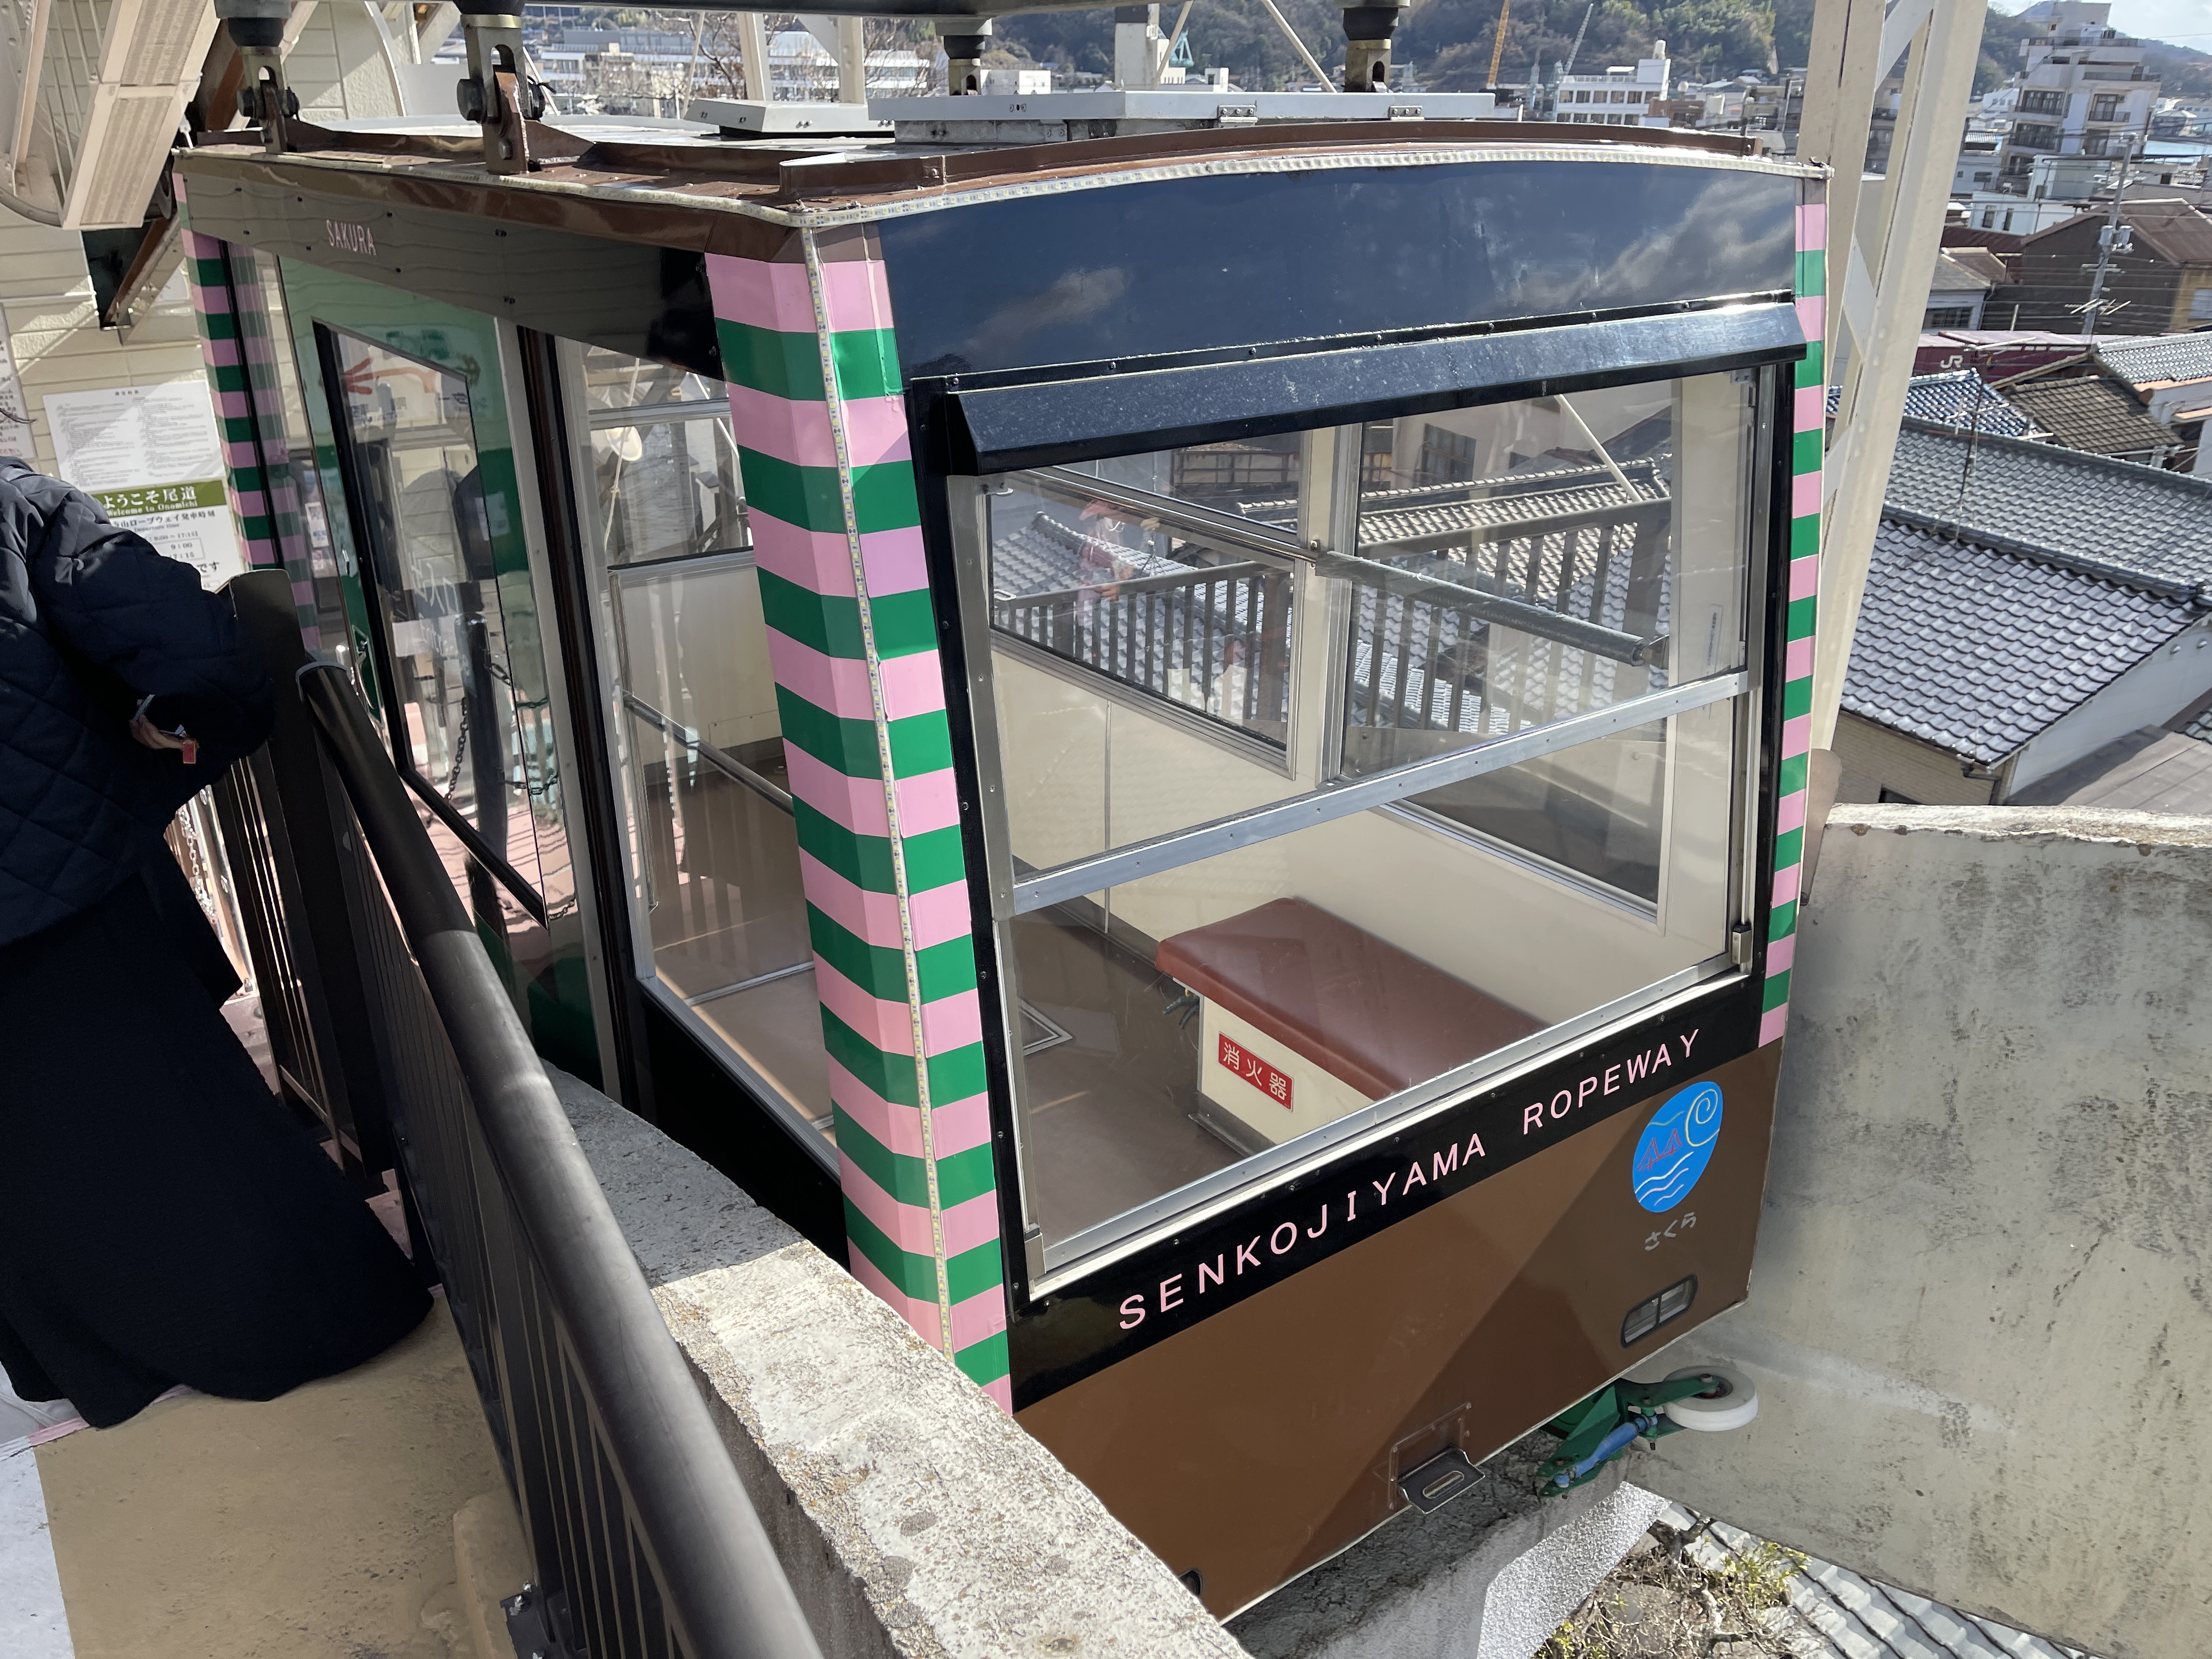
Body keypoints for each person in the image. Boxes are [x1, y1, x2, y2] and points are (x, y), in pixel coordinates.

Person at [0, 455, 429, 1429]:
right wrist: (170, 732)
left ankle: (93, 1367)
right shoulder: (17, 505)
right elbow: (197, 658)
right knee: (172, 1124)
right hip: (61, 900)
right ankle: (298, 1323)